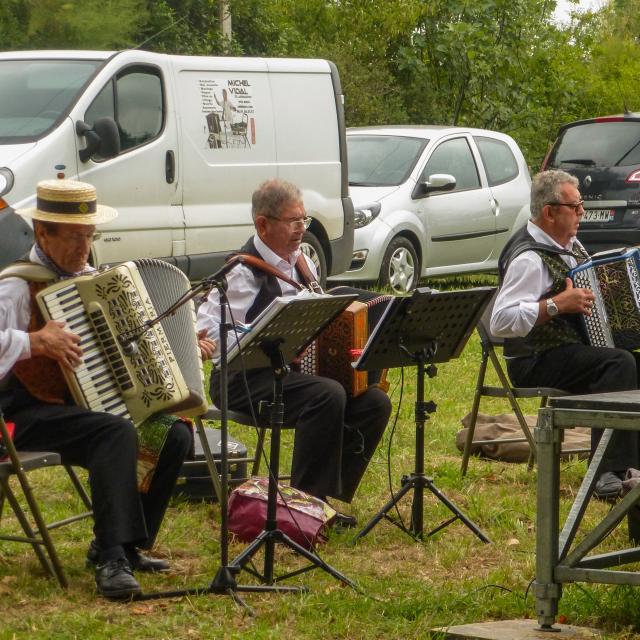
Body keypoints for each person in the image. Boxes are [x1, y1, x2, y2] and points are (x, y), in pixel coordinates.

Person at [0, 179, 204, 599]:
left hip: (83, 409)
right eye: (75, 238)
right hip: (22, 415)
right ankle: (110, 557)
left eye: (90, 236)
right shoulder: (17, 285)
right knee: (113, 432)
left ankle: (127, 546)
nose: (84, 248)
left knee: (174, 433)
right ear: (43, 233)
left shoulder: (93, 280)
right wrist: (34, 342)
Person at [196, 178, 391, 525]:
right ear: (263, 224)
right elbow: (208, 331)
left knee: (374, 402)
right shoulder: (242, 272)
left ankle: (323, 499)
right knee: (326, 395)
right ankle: (306, 505)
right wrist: (251, 336)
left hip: (290, 376)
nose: (301, 229)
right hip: (241, 380)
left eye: (304, 220)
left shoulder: (302, 263)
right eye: (293, 221)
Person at [491, 169, 640, 500]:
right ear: (549, 212)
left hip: (567, 349)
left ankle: (632, 467)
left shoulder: (566, 243)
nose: (582, 212)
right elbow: (500, 321)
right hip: (534, 358)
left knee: (632, 361)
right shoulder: (529, 258)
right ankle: (606, 473)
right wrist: (557, 305)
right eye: (575, 206)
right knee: (618, 365)